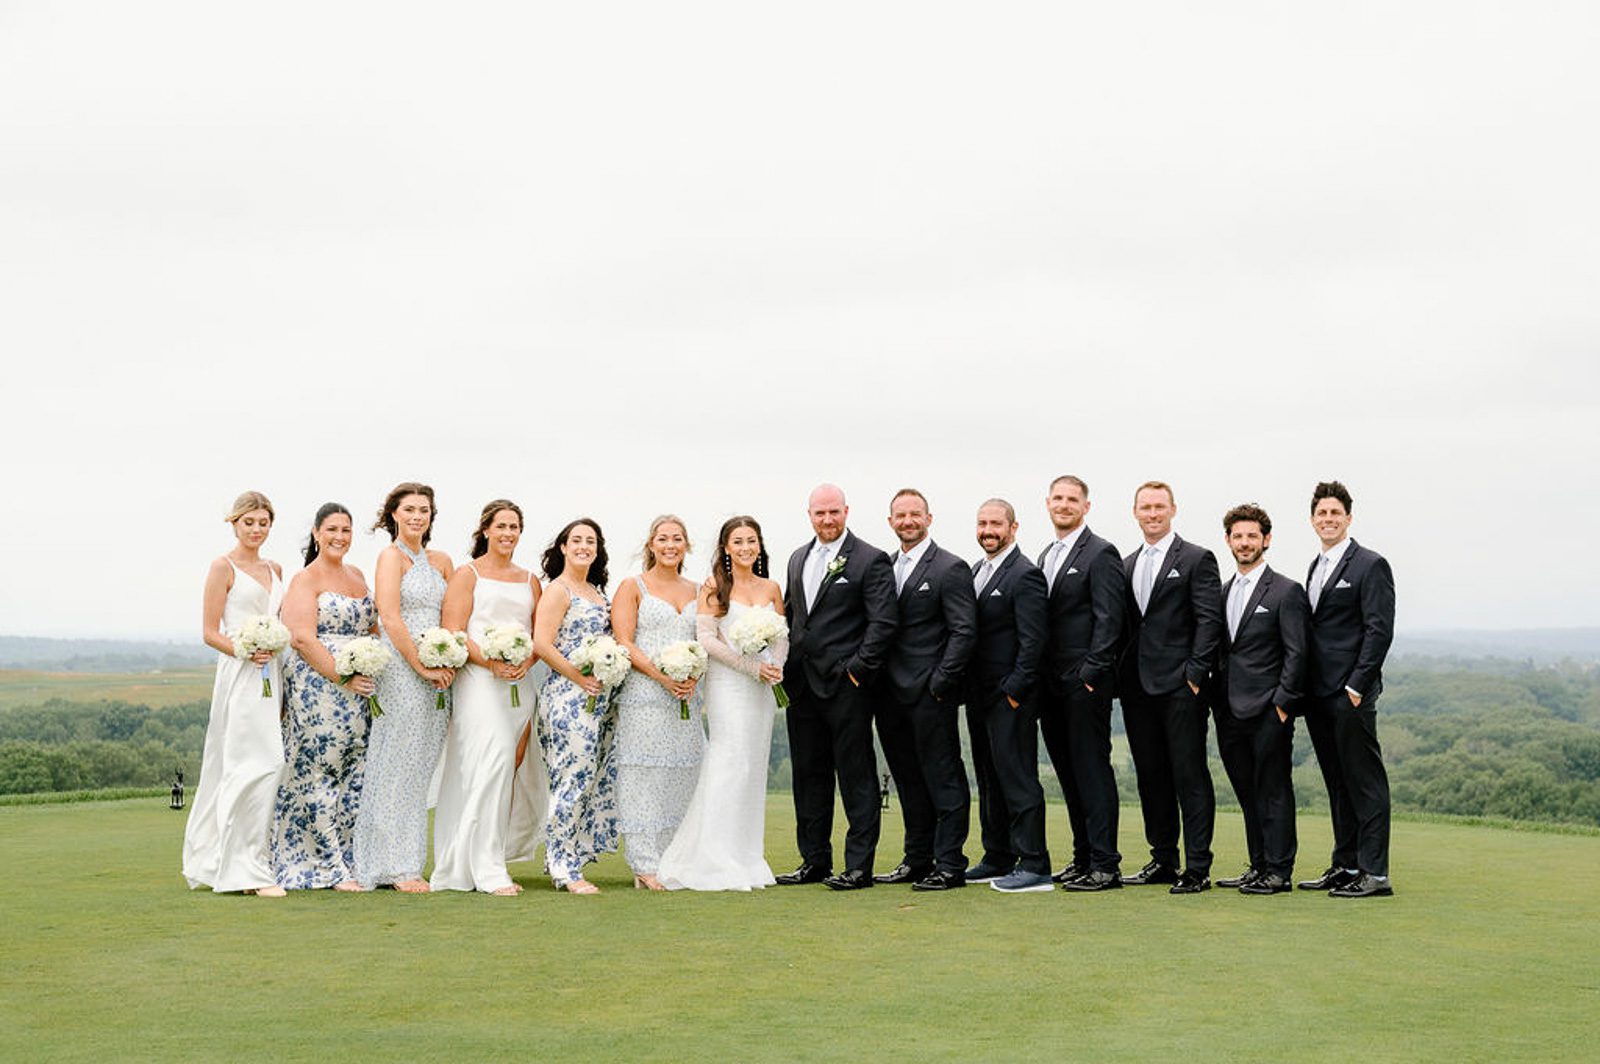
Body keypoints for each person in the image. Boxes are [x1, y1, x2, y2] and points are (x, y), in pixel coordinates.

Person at [658, 516, 788, 891]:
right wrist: (749, 666)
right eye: (738, 542)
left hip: (762, 687)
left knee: (752, 767)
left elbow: (782, 635)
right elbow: (708, 639)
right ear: (726, 548)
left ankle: (746, 855)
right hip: (729, 685)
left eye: (751, 541)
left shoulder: (772, 587)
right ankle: (714, 858)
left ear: (759, 546)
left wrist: (775, 665)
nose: (745, 547)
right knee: (729, 762)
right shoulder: (715, 587)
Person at [778, 484, 897, 890]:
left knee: (856, 775)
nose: (827, 520)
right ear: (809, 514)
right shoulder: (797, 558)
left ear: (846, 511)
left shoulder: (870, 560)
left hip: (847, 687)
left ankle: (858, 867)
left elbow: (883, 623)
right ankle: (813, 861)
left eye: (834, 512)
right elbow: (794, 618)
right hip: (802, 687)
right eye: (819, 514)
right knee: (808, 776)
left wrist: (856, 670)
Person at [430, 500, 542, 896]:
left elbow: (539, 632)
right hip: (478, 679)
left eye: (515, 527)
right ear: (486, 530)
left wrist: (524, 661)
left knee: (503, 769)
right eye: (502, 526)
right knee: (489, 760)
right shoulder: (468, 574)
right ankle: (486, 869)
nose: (508, 533)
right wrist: (490, 662)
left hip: (519, 686)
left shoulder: (530, 580)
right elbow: (454, 631)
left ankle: (478, 855)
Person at [182, 491, 289, 896]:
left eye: (263, 523)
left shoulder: (276, 567)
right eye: (249, 522)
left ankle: (247, 860)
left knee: (271, 763)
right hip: (240, 673)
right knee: (249, 763)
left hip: (272, 673)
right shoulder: (221, 567)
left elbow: (279, 620)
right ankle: (243, 872)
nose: (256, 529)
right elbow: (210, 632)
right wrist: (246, 649)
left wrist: (274, 650)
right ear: (235, 523)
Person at [1117, 481, 1222, 894]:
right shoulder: (1125, 564)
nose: (1153, 513)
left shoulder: (1197, 558)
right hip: (1137, 689)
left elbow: (1209, 621)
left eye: (1160, 506)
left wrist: (1195, 675)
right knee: (1151, 775)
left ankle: (1197, 867)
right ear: (1135, 512)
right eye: (1145, 507)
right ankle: (1163, 858)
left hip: (1182, 687)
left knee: (1188, 774)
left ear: (1173, 509)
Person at [353, 483, 455, 892]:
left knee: (420, 769)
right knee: (395, 765)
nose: (417, 516)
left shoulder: (443, 561)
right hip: (400, 670)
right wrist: (420, 666)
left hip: (438, 672)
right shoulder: (389, 558)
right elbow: (391, 619)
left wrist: (445, 658)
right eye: (409, 509)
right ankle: (395, 867)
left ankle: (409, 859)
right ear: (393, 514)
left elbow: (452, 617)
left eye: (424, 510)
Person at [872, 488, 976, 891]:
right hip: (891, 697)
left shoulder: (950, 568)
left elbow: (964, 630)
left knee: (944, 777)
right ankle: (917, 859)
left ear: (929, 518)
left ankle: (950, 864)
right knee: (908, 780)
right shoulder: (886, 567)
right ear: (890, 521)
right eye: (900, 515)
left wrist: (940, 681)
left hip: (931, 694)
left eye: (915, 514)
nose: (908, 521)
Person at [271, 503, 378, 891]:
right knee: (319, 773)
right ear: (316, 533)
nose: (339, 537)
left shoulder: (358, 575)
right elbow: (300, 637)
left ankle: (349, 859)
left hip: (361, 693)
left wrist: (372, 659)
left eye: (346, 530)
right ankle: (328, 868)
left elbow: (372, 626)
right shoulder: (305, 579)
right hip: (319, 687)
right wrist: (341, 675)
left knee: (355, 777)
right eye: (332, 529)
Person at [1298, 481, 1396, 899]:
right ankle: (1346, 863)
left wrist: (1357, 685)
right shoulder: (1315, 566)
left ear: (1348, 518)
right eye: (1321, 513)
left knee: (1365, 782)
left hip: (1351, 692)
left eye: (1335, 513)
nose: (1328, 519)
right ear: (1313, 519)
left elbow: (1379, 629)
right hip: (1319, 693)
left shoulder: (1370, 564)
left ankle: (1374, 873)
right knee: (1337, 782)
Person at [1208, 503, 1307, 895]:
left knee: (1273, 788)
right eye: (1238, 536)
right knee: (1247, 791)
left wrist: (1282, 703)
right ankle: (1259, 864)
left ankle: (1279, 871)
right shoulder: (1223, 591)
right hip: (1229, 711)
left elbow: (1297, 652)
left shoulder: (1286, 590)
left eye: (1252, 536)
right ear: (1228, 540)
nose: (1245, 542)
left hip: (1269, 709)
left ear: (1266, 540)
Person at [1034, 475, 1126, 892]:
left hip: (1084, 683)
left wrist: (1092, 673)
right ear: (1048, 503)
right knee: (1068, 774)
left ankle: (1106, 864)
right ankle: (1082, 857)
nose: (1065, 505)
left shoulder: (1101, 553)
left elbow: (1110, 620)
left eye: (1073, 499)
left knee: (1091, 770)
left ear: (1086, 507)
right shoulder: (1046, 554)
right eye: (1058, 498)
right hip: (1051, 686)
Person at [965, 499, 1053, 893]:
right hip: (979, 696)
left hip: (1010, 695)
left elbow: (1034, 641)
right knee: (990, 778)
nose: (988, 530)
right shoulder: (975, 571)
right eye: (983, 523)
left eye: (996, 524)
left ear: (1013, 528)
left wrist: (1015, 690)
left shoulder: (1025, 574)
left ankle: (1034, 863)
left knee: (1017, 777)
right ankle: (997, 855)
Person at [611, 515, 703, 891]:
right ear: (651, 544)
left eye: (677, 539)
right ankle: (645, 864)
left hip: (685, 697)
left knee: (682, 775)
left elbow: (707, 639)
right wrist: (662, 676)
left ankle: (674, 858)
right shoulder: (632, 587)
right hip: (645, 694)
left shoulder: (701, 589)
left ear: (686, 545)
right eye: (663, 538)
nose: (670, 545)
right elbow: (624, 641)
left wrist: (694, 674)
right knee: (642, 776)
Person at [534, 518, 617, 894]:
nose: (584, 546)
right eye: (577, 540)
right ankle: (562, 867)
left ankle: (574, 855)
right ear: (564, 547)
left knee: (588, 779)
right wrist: (579, 677)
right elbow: (542, 644)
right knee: (570, 779)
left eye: (591, 541)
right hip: (569, 698)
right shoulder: (558, 590)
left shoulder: (598, 592)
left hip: (599, 699)